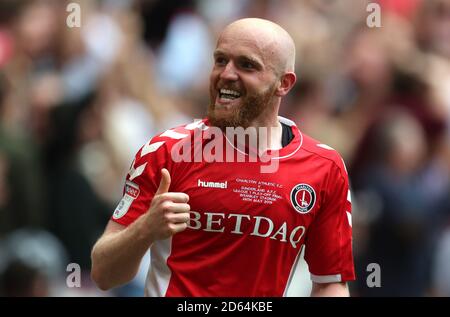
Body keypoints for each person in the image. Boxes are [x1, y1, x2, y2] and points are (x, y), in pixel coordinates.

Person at [91, 18, 355, 297]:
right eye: (220, 60)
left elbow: (329, 283)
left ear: (284, 84)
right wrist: (146, 228)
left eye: (246, 65)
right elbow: (103, 273)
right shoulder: (166, 152)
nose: (227, 74)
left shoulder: (324, 168)